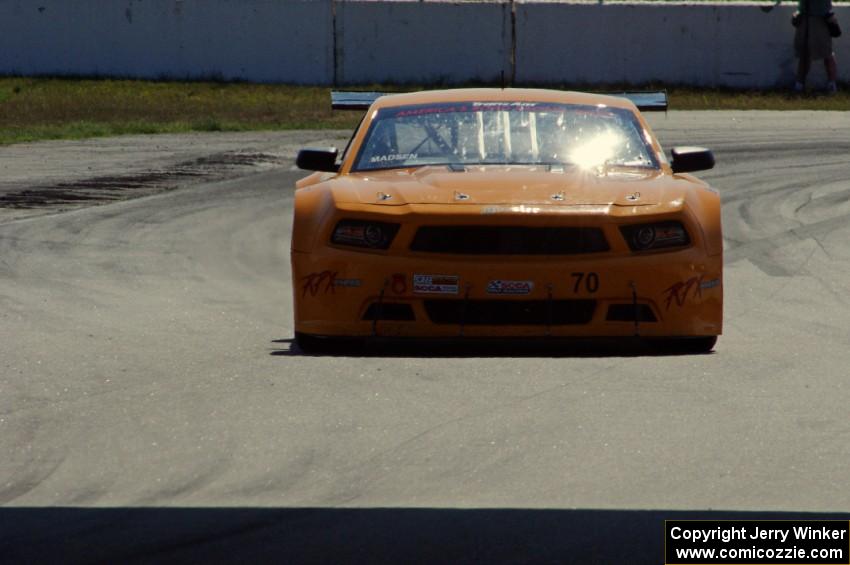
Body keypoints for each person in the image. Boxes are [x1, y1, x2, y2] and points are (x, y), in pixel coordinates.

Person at [793, 0, 839, 93]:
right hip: (804, 17)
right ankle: (799, 84)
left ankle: (832, 84)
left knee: (827, 53)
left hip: (821, 18)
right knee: (804, 54)